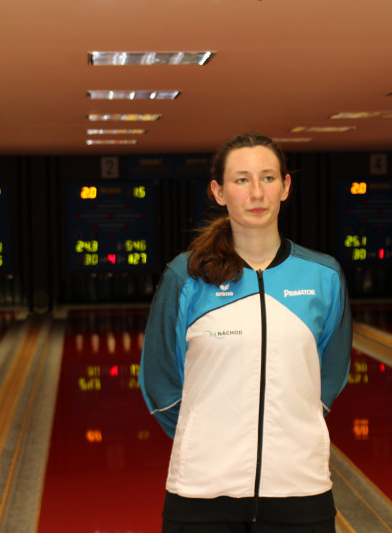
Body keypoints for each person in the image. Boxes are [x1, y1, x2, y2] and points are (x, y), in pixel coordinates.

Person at [139, 132, 352, 532]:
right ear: (218, 192)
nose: (256, 193)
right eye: (241, 180)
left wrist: (291, 430)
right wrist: (204, 436)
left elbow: (328, 379)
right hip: (202, 491)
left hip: (300, 489)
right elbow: (160, 382)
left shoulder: (323, 276)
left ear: (285, 187)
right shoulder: (186, 276)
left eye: (268, 178)